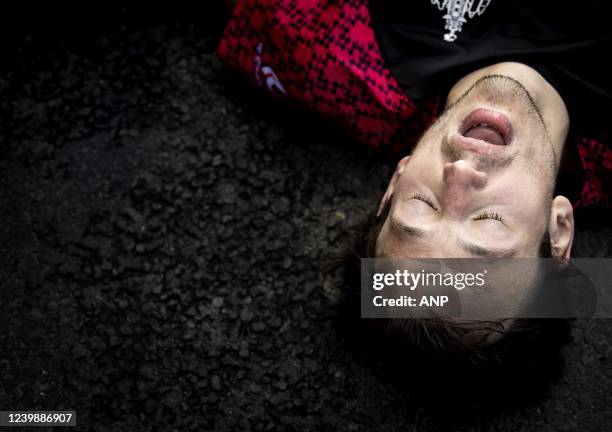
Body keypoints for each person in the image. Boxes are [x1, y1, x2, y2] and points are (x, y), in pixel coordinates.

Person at [217, 0, 611, 398]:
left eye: (422, 204)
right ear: (558, 230)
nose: (458, 175)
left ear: (395, 182)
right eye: (489, 220)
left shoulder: (326, 56)